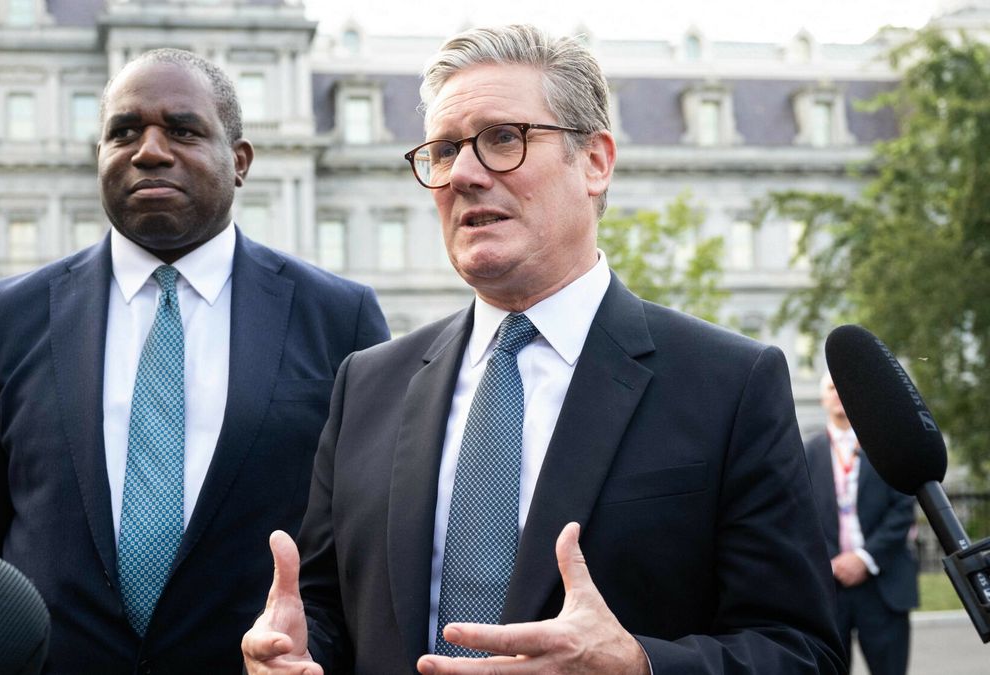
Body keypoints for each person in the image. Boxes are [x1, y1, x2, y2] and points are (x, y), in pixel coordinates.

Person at [243, 24, 844, 675]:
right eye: (443, 150)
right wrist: (295, 652)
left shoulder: (729, 383)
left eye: (503, 138)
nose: (463, 174)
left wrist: (638, 665)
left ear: (595, 162)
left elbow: (802, 651)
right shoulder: (367, 384)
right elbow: (331, 609)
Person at [0, 48, 389, 674]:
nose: (148, 151)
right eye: (123, 132)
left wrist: (311, 657)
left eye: (183, 130)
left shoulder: (339, 318)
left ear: (240, 161)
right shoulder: (1, 320)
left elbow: (361, 551)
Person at [805, 371, 918, 675]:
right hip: (828, 589)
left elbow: (903, 509)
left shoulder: (886, 448)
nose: (838, 394)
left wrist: (864, 559)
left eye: (844, 387)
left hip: (883, 585)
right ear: (822, 397)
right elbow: (798, 515)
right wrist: (830, 563)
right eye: (832, 387)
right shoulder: (805, 452)